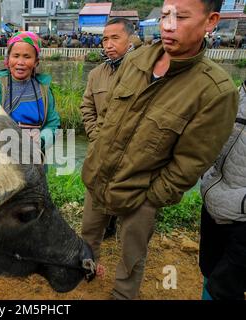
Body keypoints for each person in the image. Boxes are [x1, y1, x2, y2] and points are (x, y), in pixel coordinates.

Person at [81, 0, 238, 300]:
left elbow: (190, 163)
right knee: (88, 236)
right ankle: (85, 271)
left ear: (210, 21)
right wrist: (97, 153)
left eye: (181, 17)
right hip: (98, 176)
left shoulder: (215, 92)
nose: (167, 25)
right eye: (165, 15)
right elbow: (107, 112)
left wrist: (150, 199)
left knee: (132, 257)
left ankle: (123, 295)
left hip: (141, 195)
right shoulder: (136, 59)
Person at [81, 18, 143, 251]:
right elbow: (87, 108)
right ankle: (88, 266)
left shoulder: (145, 73)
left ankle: (125, 284)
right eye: (105, 39)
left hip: (133, 164)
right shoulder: (97, 74)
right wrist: (96, 137)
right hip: (99, 159)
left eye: (115, 38)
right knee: (90, 226)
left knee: (132, 233)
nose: (108, 44)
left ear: (130, 40)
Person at [0, 31, 60, 153]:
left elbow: (53, 124)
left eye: (27, 57)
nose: (20, 62)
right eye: (16, 56)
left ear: (36, 62)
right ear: (8, 60)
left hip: (33, 158)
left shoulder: (44, 91)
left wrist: (41, 139)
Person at [199, 79, 246, 300]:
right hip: (214, 202)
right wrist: (205, 172)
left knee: (224, 287)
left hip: (242, 219)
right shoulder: (236, 93)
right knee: (209, 271)